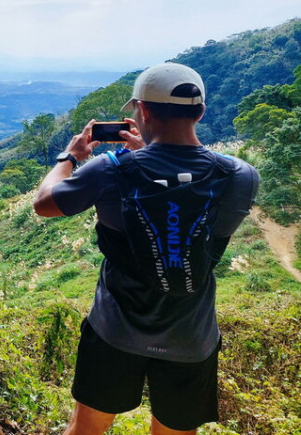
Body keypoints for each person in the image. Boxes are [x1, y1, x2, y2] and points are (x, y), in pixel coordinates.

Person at [33, 62, 258, 435]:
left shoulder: (109, 170)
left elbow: (44, 203)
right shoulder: (239, 176)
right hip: (190, 339)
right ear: (200, 112)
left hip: (113, 332)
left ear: (144, 111)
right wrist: (148, 158)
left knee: (85, 429)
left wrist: (71, 157)